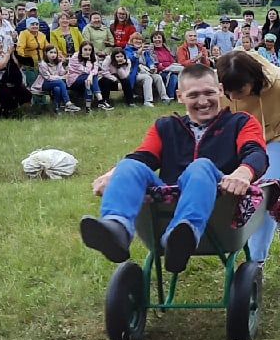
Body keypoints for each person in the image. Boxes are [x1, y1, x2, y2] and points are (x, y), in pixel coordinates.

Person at [81, 62, 269, 272]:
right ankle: (116, 229)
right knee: (129, 165)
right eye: (193, 95)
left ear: (221, 91)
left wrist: (242, 173)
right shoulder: (166, 126)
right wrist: (112, 176)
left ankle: (181, 236)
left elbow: (255, 152)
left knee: (201, 166)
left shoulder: (240, 122)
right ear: (180, 96)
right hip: (171, 193)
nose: (203, 101)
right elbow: (144, 156)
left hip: (219, 196)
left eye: (209, 92)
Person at [216, 49, 280, 259]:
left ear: (253, 80)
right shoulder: (222, 86)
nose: (231, 98)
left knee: (263, 194)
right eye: (227, 92)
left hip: (277, 135)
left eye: (238, 91)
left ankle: (255, 263)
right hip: (243, 138)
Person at [33, 45, 78, 114]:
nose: (53, 54)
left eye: (55, 53)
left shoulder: (58, 62)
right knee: (60, 82)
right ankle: (68, 103)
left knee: (57, 88)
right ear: (45, 53)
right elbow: (47, 77)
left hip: (55, 83)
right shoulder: (43, 64)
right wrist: (61, 77)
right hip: (44, 84)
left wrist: (66, 70)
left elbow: (61, 73)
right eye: (51, 52)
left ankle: (56, 108)